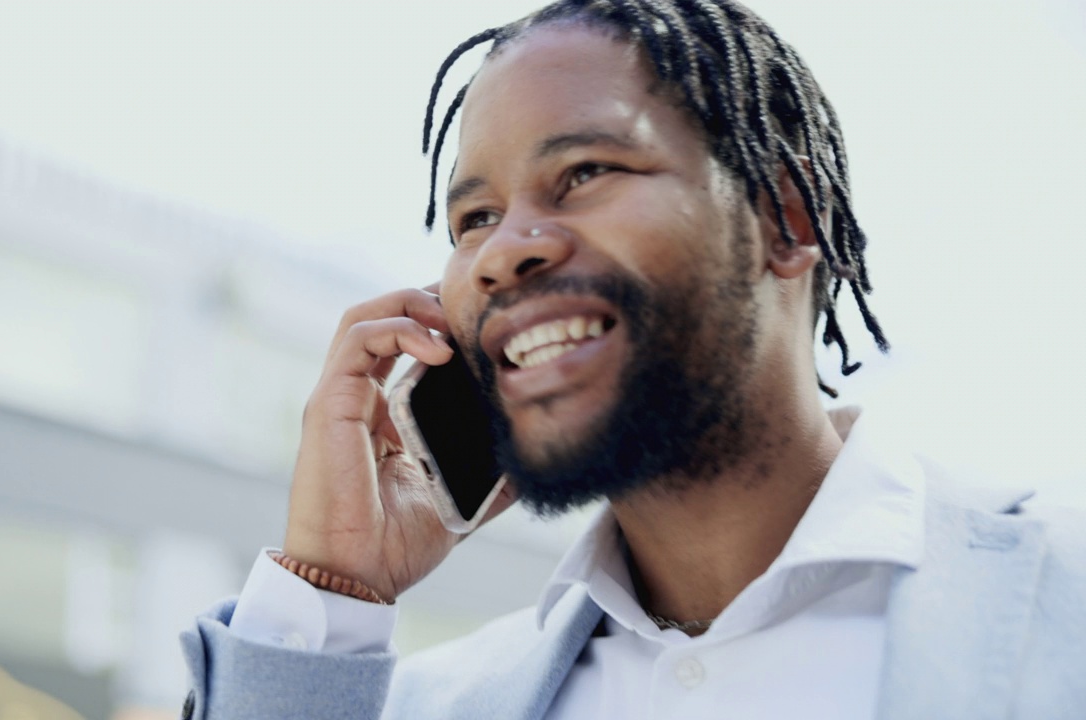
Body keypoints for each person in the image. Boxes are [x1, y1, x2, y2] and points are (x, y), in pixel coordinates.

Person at [178, 1, 1086, 718]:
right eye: (474, 220)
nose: (500, 253)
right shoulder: (428, 702)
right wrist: (332, 592)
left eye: (583, 174)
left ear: (787, 221)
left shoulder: (1059, 596)